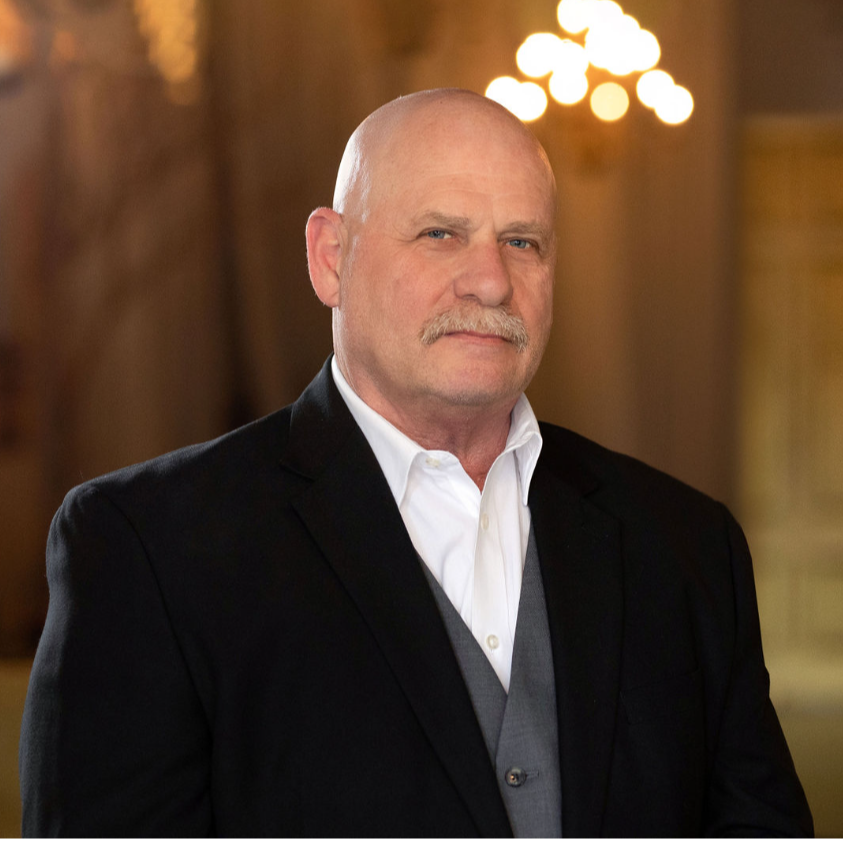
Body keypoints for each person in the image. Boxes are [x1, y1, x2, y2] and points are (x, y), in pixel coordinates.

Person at [20, 88, 812, 837]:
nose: (491, 281)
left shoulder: (685, 544)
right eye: (441, 233)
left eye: (522, 242)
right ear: (330, 258)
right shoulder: (150, 548)